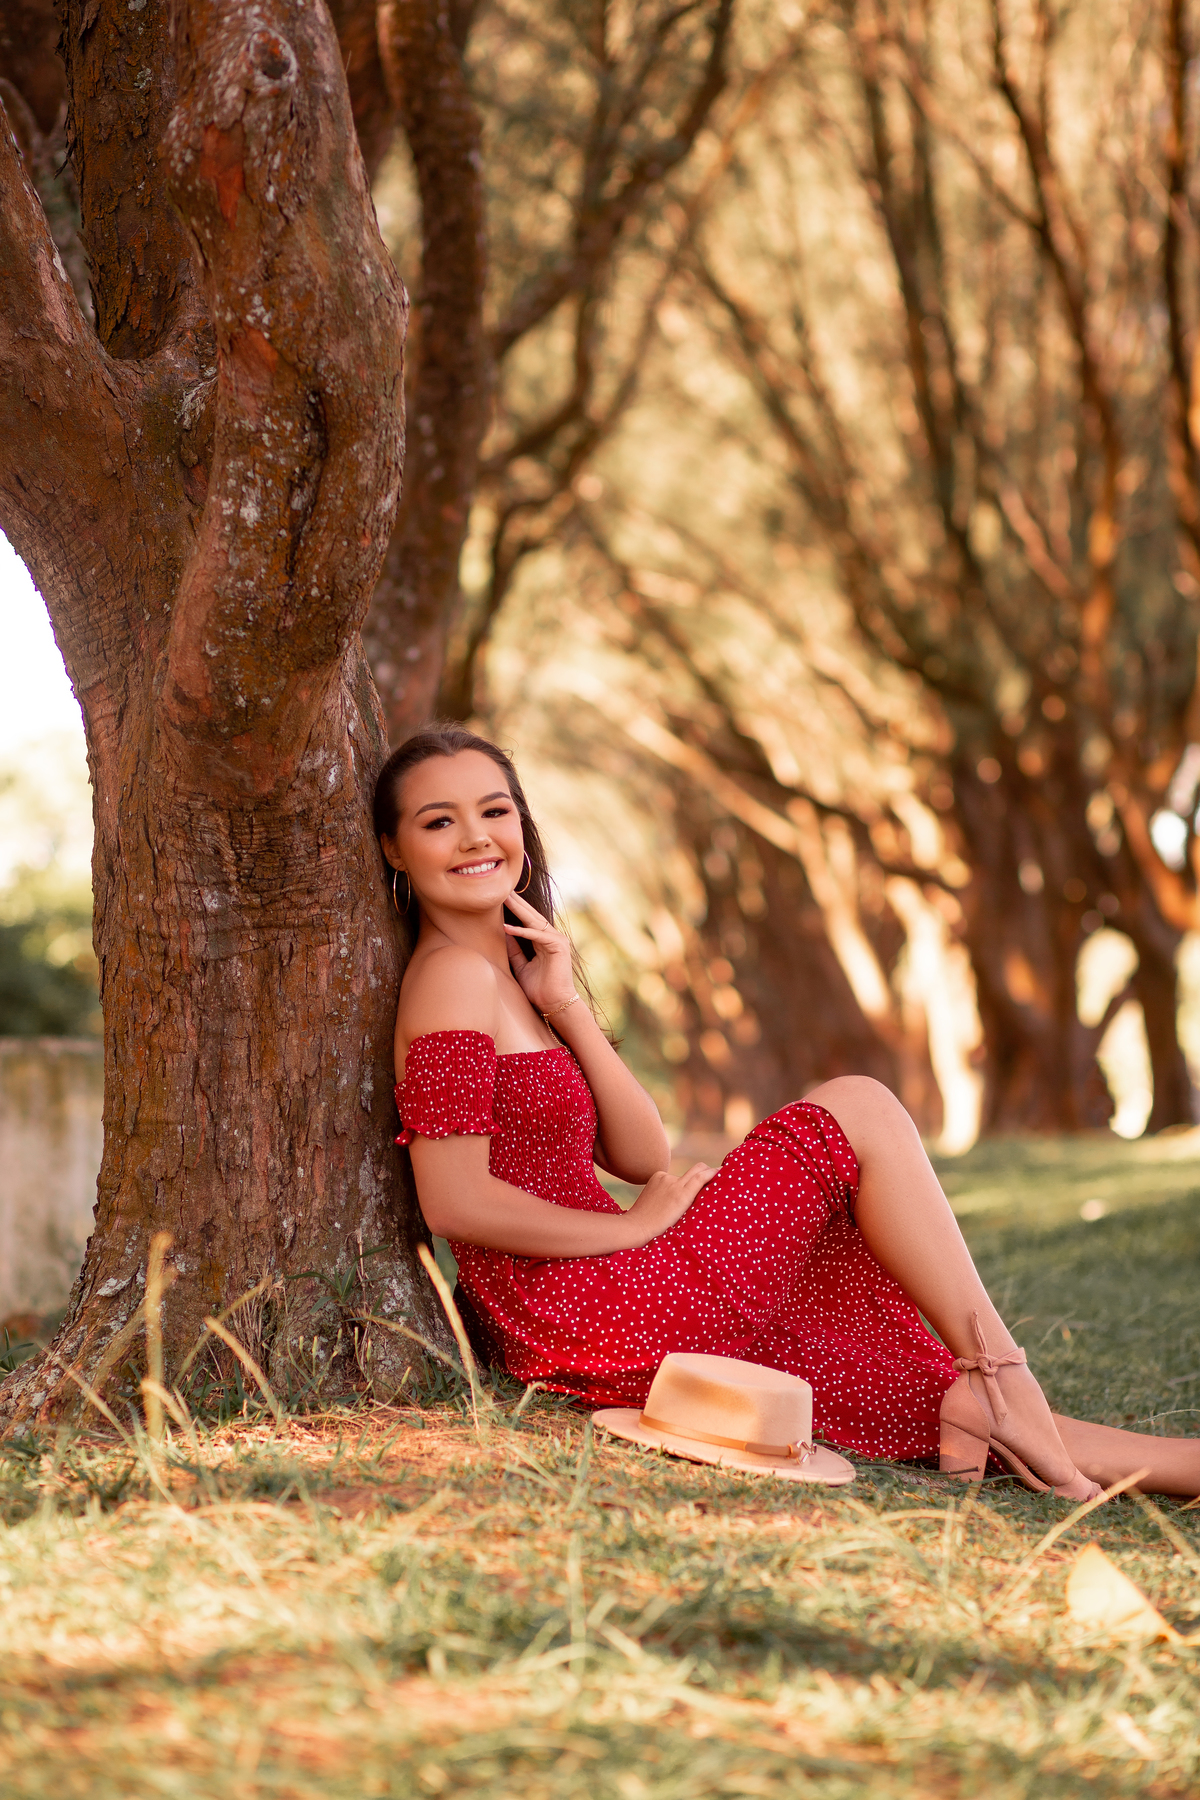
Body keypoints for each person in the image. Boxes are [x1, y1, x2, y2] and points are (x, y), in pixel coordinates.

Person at [374, 723, 1200, 1498]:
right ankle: (998, 1368)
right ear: (395, 850)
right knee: (855, 1108)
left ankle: (1053, 1419)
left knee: (906, 1391)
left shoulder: (513, 979)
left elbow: (638, 1155)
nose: (478, 837)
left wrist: (567, 1007)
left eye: (494, 810)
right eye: (440, 822)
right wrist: (628, 1230)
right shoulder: (450, 977)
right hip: (578, 1309)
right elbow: (456, 1201)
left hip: (602, 1299)